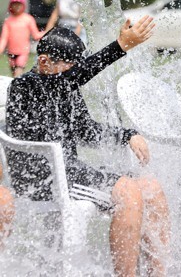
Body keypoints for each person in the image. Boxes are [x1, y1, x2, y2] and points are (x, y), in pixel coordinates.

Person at [4, 16, 169, 276]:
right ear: (45, 61)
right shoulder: (24, 87)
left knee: (151, 187)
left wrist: (127, 134)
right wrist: (119, 46)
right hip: (45, 179)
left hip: (72, 172)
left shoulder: (65, 85)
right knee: (128, 192)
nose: (75, 77)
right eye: (71, 70)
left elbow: (85, 130)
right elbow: (71, 80)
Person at [0, 0, 45, 77]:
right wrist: (1, 49)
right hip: (11, 52)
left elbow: (35, 35)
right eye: (14, 4)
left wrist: (46, 33)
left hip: (23, 52)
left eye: (19, 4)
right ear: (10, 6)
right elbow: (4, 38)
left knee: (18, 71)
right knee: (14, 74)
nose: (17, 7)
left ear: (23, 5)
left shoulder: (28, 19)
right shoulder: (8, 21)